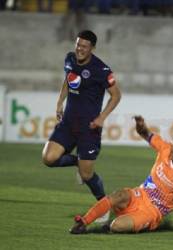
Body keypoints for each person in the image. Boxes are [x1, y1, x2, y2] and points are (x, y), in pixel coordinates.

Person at [70, 115, 173, 235]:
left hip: (153, 212)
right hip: (140, 194)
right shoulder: (165, 148)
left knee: (116, 226)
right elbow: (145, 133)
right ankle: (83, 222)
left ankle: (119, 223)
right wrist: (141, 125)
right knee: (119, 195)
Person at [42, 30, 121, 223]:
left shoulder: (102, 70)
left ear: (92, 48)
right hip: (68, 123)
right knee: (48, 158)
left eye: (84, 46)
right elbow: (68, 80)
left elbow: (116, 95)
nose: (79, 49)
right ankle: (78, 160)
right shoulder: (69, 59)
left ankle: (103, 205)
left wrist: (102, 117)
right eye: (78, 45)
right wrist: (60, 101)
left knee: (87, 175)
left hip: (89, 128)